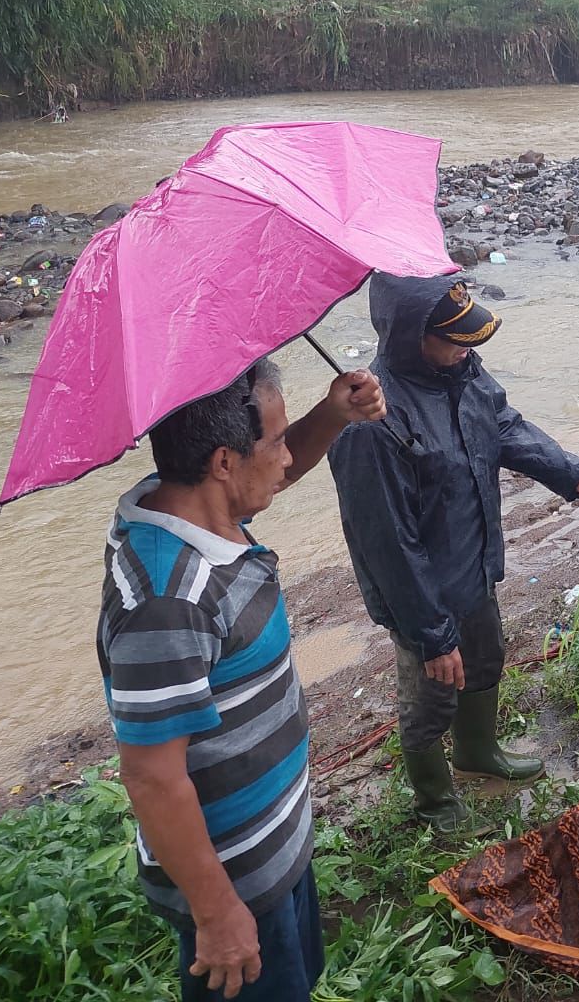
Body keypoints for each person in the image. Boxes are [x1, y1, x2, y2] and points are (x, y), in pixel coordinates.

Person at [98, 358, 387, 1002]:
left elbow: (267, 477)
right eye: (279, 440)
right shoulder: (168, 602)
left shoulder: (197, 511)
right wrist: (216, 913)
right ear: (224, 461)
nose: (288, 459)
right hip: (234, 885)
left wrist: (333, 414)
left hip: (270, 854)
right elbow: (151, 775)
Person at [328, 274, 579, 832]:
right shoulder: (370, 426)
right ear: (411, 335)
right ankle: (436, 803)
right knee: (432, 692)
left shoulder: (460, 372)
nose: (467, 349)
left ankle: (478, 753)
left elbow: (503, 424)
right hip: (420, 592)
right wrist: (432, 633)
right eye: (453, 338)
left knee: (486, 658)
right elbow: (388, 545)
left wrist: (570, 469)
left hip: (473, 564)